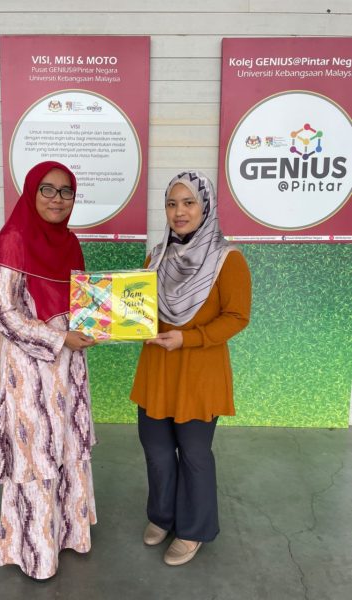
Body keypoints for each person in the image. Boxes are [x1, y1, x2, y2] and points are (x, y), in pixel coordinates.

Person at [130, 170, 252, 566]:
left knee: (195, 454)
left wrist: (189, 338)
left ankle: (194, 529)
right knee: (157, 450)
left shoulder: (227, 259)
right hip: (157, 370)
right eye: (171, 203)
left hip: (199, 372)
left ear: (206, 207)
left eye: (188, 203)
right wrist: (120, 321)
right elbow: (139, 310)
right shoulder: (157, 256)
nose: (179, 212)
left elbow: (237, 317)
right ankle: (162, 516)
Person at [0, 161, 96, 580]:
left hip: (69, 368)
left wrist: (98, 323)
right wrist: (58, 338)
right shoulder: (13, 239)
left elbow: (82, 302)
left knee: (67, 446)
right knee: (36, 452)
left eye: (66, 191)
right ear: (31, 192)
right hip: (28, 372)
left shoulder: (70, 242)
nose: (57, 199)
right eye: (47, 189)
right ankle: (36, 553)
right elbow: (0, 311)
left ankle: (68, 534)